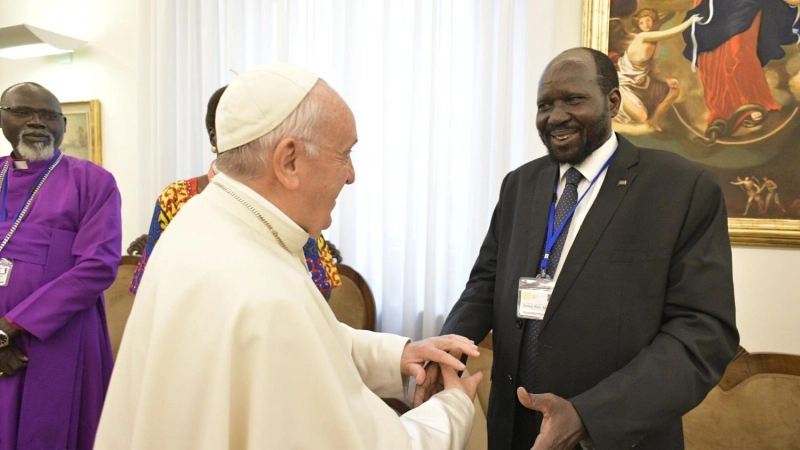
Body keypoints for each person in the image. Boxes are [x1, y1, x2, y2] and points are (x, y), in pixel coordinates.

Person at [96, 63, 483, 449]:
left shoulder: (204, 219)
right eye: (343, 154)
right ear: (289, 161)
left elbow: (309, 339)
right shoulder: (263, 290)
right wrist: (453, 407)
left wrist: (399, 355)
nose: (351, 175)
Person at [416, 48, 738, 449]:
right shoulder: (520, 185)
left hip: (613, 436)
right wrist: (446, 351)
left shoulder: (682, 189)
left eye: (573, 100)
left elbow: (703, 335)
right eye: (545, 105)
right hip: (514, 430)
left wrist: (591, 416)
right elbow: (485, 283)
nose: (556, 117)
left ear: (613, 102)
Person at [129, 86, 343, 297]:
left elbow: (320, 287)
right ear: (215, 138)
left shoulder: (286, 194)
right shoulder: (176, 198)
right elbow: (148, 285)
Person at [0, 83, 122, 449]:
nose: (37, 122)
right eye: (23, 112)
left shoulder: (93, 181)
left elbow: (97, 266)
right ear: (2, 117)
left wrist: (10, 327)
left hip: (58, 335)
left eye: (49, 115)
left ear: (64, 126)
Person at [612, 9, 702, 131]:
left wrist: (667, 79)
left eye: (648, 20)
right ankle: (620, 95)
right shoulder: (642, 37)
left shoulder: (655, 43)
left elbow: (654, 71)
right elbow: (671, 33)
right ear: (638, 25)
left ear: (653, 21)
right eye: (642, 22)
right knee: (641, 117)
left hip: (641, 83)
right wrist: (690, 21)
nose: (646, 24)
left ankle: (654, 120)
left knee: (674, 91)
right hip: (625, 83)